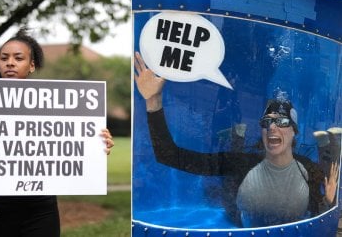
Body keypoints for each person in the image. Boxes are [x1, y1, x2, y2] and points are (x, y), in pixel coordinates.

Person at [0, 29, 115, 237]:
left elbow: (72, 141)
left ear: (32, 65)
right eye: (4, 58)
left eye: (18, 58)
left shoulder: (55, 106)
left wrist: (97, 144)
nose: (10, 63)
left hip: (40, 212)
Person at [134, 51, 339, 227]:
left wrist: (328, 202)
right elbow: (170, 156)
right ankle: (237, 136)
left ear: (294, 132)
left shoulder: (308, 171)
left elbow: (317, 218)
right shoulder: (240, 163)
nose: (273, 127)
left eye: (282, 122)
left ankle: (237, 135)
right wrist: (153, 101)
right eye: (267, 122)